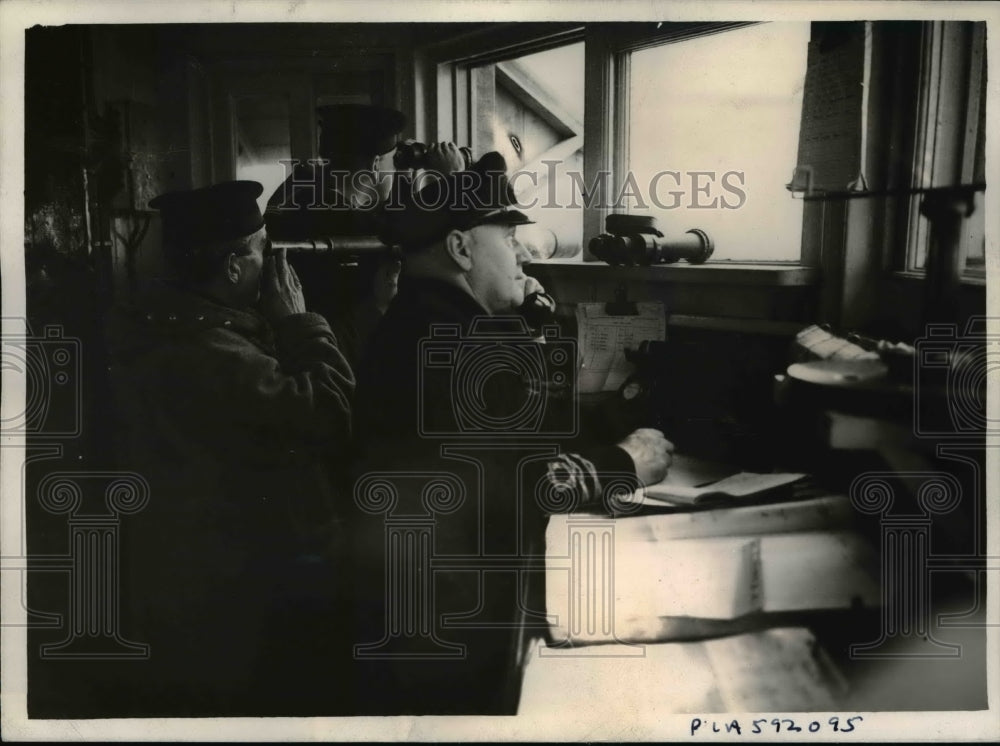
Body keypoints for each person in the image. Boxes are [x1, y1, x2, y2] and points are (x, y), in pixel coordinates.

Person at [349, 152, 674, 715]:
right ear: (460, 248)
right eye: (509, 237)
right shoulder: (466, 344)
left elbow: (526, 441)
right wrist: (622, 467)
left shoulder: (423, 324)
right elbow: (524, 487)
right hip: (457, 618)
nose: (523, 254)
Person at [107, 180, 355, 716]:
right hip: (236, 586)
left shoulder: (166, 324)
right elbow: (329, 413)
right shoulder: (213, 351)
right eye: (262, 248)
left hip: (191, 573)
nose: (271, 262)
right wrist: (298, 321)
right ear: (235, 267)